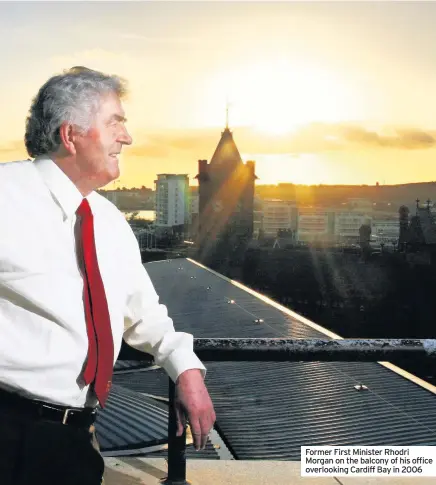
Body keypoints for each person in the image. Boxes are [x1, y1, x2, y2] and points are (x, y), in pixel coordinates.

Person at [0, 66, 215, 485]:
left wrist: (186, 369)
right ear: (71, 135)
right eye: (115, 121)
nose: (127, 137)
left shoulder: (109, 219)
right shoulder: (4, 196)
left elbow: (142, 312)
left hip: (76, 439)